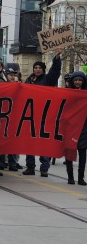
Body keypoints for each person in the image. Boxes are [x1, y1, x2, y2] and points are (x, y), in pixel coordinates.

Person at [23, 47, 63, 177]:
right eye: (36, 68)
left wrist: (57, 57)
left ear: (43, 69)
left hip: (45, 116)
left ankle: (44, 168)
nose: (37, 69)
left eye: (40, 68)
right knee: (29, 143)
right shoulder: (28, 80)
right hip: (30, 116)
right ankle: (30, 167)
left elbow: (55, 71)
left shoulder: (48, 79)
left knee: (43, 142)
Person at [65, 71, 87, 185]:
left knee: (83, 153)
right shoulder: (67, 93)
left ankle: (81, 178)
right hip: (70, 127)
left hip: (83, 128)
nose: (78, 82)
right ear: (72, 81)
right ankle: (70, 177)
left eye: (80, 80)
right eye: (76, 80)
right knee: (69, 152)